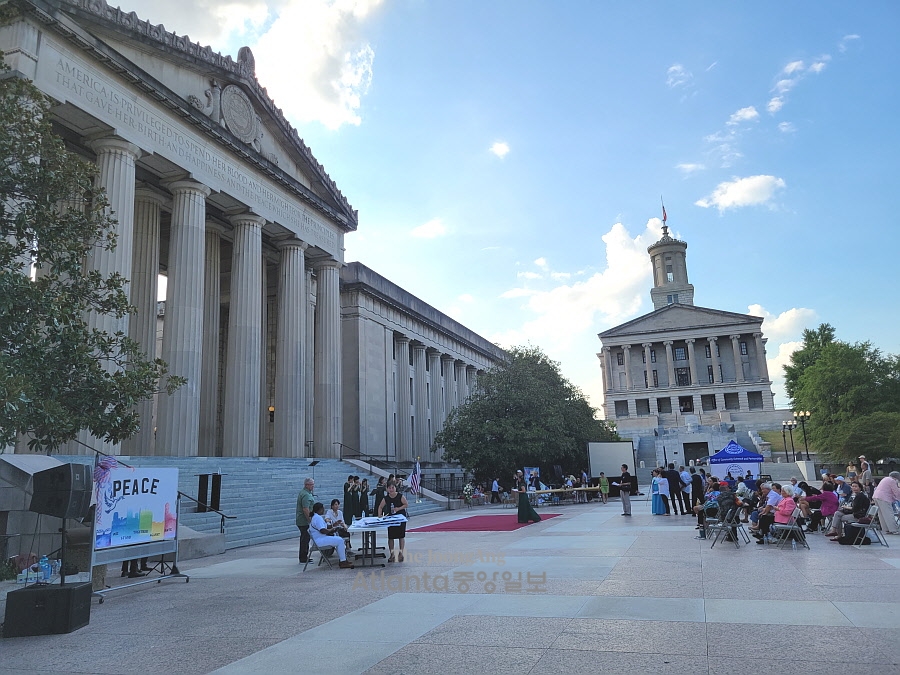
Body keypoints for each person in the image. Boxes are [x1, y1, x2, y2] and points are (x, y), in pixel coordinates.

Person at [308, 503, 354, 568]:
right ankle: (343, 562)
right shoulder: (317, 518)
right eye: (323, 508)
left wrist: (334, 525)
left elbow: (326, 526)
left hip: (320, 539)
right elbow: (323, 530)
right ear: (320, 509)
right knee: (340, 540)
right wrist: (332, 530)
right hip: (319, 540)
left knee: (338, 540)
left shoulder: (316, 517)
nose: (324, 510)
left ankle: (343, 560)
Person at [377, 481, 410, 562]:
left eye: (393, 487)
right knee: (391, 537)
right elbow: (380, 507)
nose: (391, 489)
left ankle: (401, 553)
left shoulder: (400, 496)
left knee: (401, 536)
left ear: (395, 488)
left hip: (400, 517)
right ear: (387, 489)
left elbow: (406, 504)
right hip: (391, 519)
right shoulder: (386, 498)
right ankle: (392, 554)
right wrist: (380, 515)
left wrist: (398, 508)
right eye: (389, 488)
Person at [295, 477, 316, 563]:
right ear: (306, 485)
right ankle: (303, 557)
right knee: (305, 539)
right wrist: (310, 520)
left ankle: (304, 556)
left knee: (305, 538)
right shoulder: (306, 495)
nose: (313, 487)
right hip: (304, 521)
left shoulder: (305, 493)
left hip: (302, 520)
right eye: (311, 485)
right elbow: (305, 509)